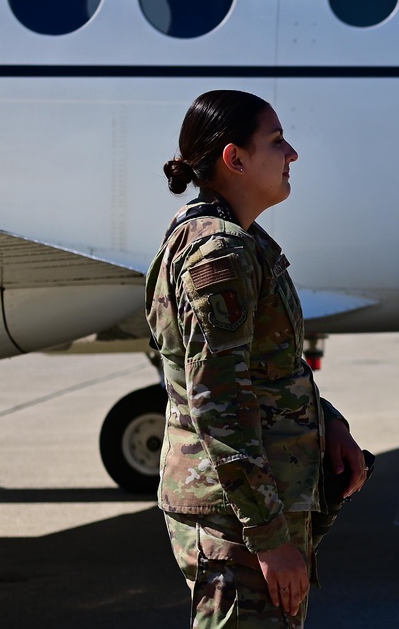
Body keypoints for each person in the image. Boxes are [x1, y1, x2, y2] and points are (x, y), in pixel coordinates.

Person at [145, 89, 368, 628]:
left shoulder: (238, 239)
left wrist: (327, 422)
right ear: (235, 159)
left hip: (245, 506)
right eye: (276, 141)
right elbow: (218, 399)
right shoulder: (220, 252)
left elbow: (264, 369)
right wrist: (270, 541)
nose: (292, 154)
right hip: (238, 518)